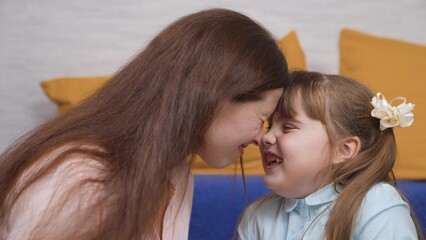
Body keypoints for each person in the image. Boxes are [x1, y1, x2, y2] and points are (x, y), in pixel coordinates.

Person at [0, 8, 289, 240]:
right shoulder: (79, 179)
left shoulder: (175, 170)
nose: (258, 140)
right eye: (262, 118)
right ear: (215, 95)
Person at [237, 71, 424, 240]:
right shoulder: (256, 216)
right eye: (269, 126)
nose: (266, 138)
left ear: (343, 150)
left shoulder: (376, 203)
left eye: (288, 127)